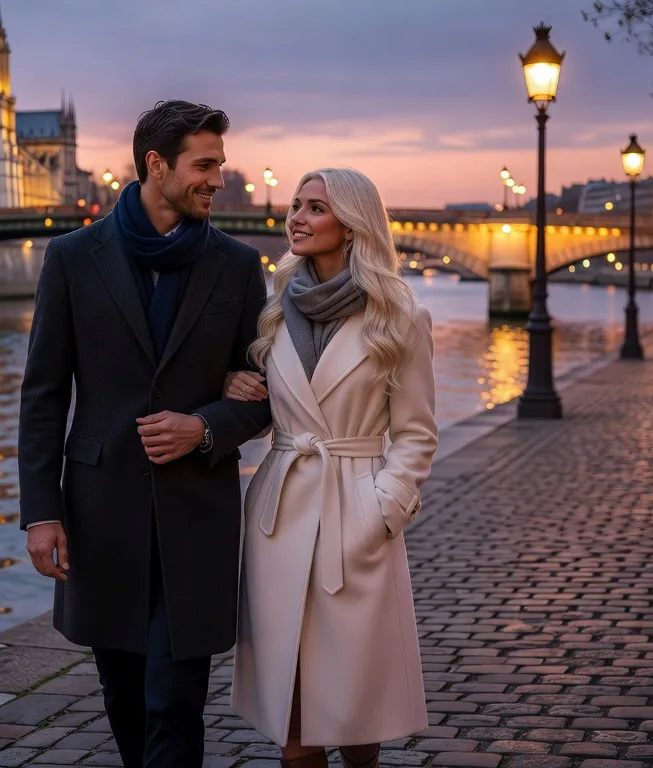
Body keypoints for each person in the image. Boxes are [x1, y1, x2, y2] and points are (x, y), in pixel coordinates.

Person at [18, 100, 272, 767]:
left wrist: (205, 425)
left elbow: (267, 393)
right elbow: (44, 394)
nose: (219, 178)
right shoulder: (73, 258)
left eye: (221, 163)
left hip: (197, 513)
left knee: (173, 698)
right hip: (102, 513)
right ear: (157, 165)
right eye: (205, 164)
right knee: (124, 694)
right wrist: (41, 513)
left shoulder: (238, 267)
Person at [224, 168, 438, 767]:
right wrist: (232, 383)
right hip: (282, 515)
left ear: (351, 224)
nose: (295, 216)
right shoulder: (275, 310)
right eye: (295, 205)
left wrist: (382, 511)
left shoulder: (399, 316)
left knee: (354, 702)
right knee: (290, 706)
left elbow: (416, 434)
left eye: (314, 208)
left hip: (356, 511)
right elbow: (277, 407)